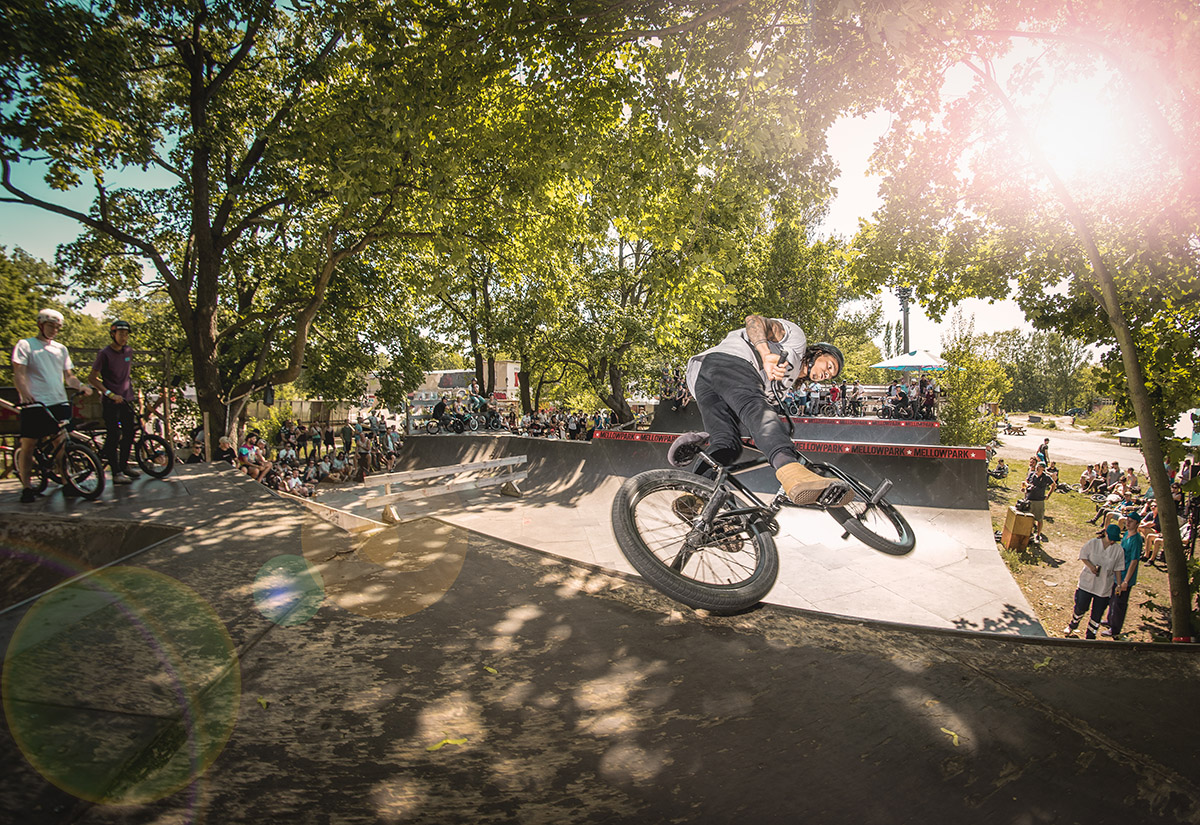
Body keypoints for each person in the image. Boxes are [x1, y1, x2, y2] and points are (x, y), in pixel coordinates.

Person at [681, 315, 852, 508]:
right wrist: (765, 353)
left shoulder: (785, 386)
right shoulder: (796, 342)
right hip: (730, 362)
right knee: (759, 412)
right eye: (829, 366)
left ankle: (692, 497)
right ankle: (791, 473)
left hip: (702, 381)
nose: (826, 374)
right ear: (818, 352)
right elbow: (754, 321)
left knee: (727, 443)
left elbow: (751, 419)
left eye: (829, 375)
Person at [11, 308, 95, 503]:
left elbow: (69, 376)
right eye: (51, 326)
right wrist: (25, 393)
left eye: (57, 327)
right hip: (35, 403)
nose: (54, 330)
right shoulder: (26, 345)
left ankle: (67, 482)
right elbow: (19, 373)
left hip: (59, 401)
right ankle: (27, 487)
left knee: (61, 443)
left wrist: (81, 385)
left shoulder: (61, 349)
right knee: (29, 444)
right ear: (41, 324)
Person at [87, 319, 142, 484]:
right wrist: (109, 394)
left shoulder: (128, 351)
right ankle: (116, 472)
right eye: (120, 334)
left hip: (126, 399)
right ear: (113, 334)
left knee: (130, 432)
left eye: (126, 334)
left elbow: (125, 375)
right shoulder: (104, 353)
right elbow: (92, 378)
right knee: (114, 435)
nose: (124, 337)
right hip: (111, 401)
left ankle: (124, 465)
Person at [1064, 524, 1126, 639]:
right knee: (1081, 606)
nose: (1112, 541)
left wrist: (1118, 583)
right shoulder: (1093, 543)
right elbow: (1083, 556)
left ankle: (1091, 634)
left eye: (1114, 539)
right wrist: (1091, 567)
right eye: (1110, 538)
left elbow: (1118, 568)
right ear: (1105, 533)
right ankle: (1073, 624)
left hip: (1104, 586)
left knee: (1097, 613)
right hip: (1087, 582)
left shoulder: (1118, 550)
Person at [1103, 514, 1143, 639]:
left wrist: (1126, 581)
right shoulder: (1126, 535)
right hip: (1118, 573)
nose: (1128, 523)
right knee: (1112, 599)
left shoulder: (1136, 539)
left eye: (1131, 521)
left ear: (1137, 524)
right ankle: (1109, 620)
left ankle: (1115, 629)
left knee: (1120, 603)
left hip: (1126, 576)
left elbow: (1134, 561)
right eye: (1127, 520)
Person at [1022, 462, 1054, 542]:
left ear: (1043, 469)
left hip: (1039, 500)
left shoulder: (1046, 477)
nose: (1037, 468)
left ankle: (1038, 535)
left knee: (1039, 518)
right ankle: (1029, 534)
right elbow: (1025, 482)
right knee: (1028, 518)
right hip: (1029, 498)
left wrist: (1048, 495)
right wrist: (1024, 487)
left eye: (1039, 467)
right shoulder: (1032, 475)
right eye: (1037, 466)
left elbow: (1053, 485)